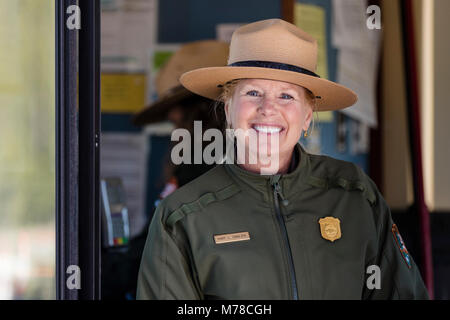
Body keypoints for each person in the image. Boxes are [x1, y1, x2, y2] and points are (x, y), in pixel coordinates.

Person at [136, 19, 429, 299]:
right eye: (253, 92)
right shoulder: (182, 215)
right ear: (227, 110)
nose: (268, 109)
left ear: (307, 116)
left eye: (287, 96)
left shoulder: (354, 194)